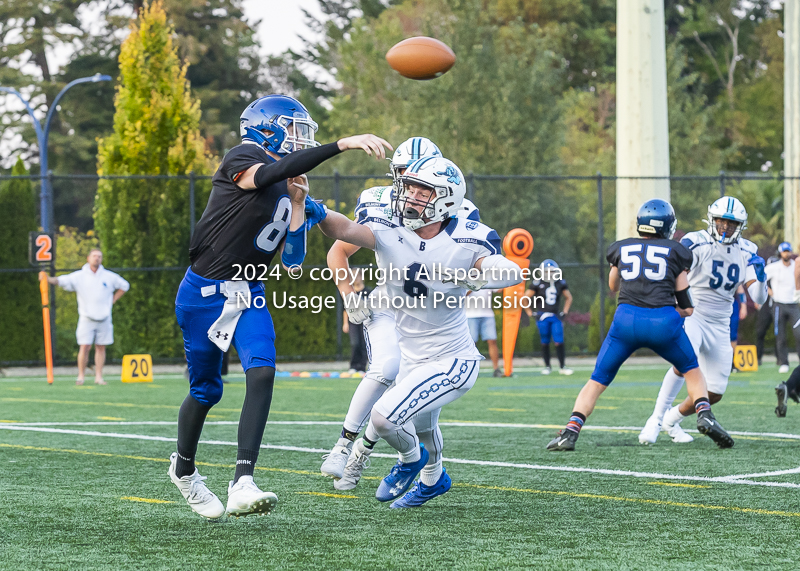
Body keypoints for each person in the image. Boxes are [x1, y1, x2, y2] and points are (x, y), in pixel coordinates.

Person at [168, 93, 391, 520]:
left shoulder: (290, 187)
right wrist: (342, 144)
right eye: (294, 129)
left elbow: (297, 258)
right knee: (206, 390)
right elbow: (264, 175)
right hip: (202, 293)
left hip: (248, 291)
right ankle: (184, 470)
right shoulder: (243, 156)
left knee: (263, 371)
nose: (299, 140)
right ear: (265, 126)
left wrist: (395, 240)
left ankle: (243, 480)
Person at [316, 156, 523, 507]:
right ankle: (433, 479)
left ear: (445, 198)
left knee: (383, 418)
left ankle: (411, 461)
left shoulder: (466, 237)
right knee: (426, 428)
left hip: (453, 358)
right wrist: (312, 208)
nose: (411, 196)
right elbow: (343, 231)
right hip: (413, 353)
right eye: (409, 187)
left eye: (422, 190)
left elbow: (511, 271)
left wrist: (475, 276)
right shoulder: (388, 226)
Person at [547, 199, 732, 451]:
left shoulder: (620, 248)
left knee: (597, 380)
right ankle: (704, 414)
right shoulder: (677, 252)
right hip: (663, 321)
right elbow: (687, 306)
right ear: (668, 227)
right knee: (691, 369)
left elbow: (613, 287)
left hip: (625, 321)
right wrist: (669, 312)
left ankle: (570, 431)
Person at [638, 196, 767, 445]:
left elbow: (757, 296)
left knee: (715, 392)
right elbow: (674, 275)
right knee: (682, 363)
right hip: (694, 315)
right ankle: (654, 420)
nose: (725, 227)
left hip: (721, 323)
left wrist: (761, 278)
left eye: (731, 223)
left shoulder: (748, 250)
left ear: (740, 226)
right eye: (721, 221)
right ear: (711, 219)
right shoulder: (696, 243)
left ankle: (671, 418)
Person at [42, 249, 129, 385]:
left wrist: (113, 299)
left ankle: (98, 376)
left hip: (104, 317)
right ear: (88, 258)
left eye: (99, 256)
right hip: (86, 318)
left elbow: (125, 285)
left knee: (101, 347)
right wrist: (47, 279)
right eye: (94, 256)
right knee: (84, 346)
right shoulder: (79, 276)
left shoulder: (109, 276)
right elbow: (61, 280)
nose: (97, 259)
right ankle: (81, 376)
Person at [524, 259, 573, 375]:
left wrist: (565, 311)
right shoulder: (537, 283)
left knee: (558, 340)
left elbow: (569, 297)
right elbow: (525, 298)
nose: (550, 274)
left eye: (552, 271)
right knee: (545, 341)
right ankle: (547, 366)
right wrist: (530, 312)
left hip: (555, 316)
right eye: (547, 271)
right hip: (542, 316)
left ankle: (562, 366)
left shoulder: (560, 283)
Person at [764, 242, 800, 374]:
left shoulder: (795, 267)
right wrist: (769, 291)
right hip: (779, 304)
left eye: (788, 251)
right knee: (781, 335)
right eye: (784, 251)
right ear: (780, 253)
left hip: (793, 304)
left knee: (799, 333)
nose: (787, 253)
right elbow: (760, 279)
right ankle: (784, 362)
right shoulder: (773, 267)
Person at [465, 288, 502, 377]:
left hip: (487, 314)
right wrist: (475, 283)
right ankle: (470, 370)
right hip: (470, 315)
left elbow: (499, 289)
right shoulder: (465, 276)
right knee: (471, 344)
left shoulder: (488, 275)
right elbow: (463, 294)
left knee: (492, 341)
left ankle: (496, 369)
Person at [342, 274, 371, 374]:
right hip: (353, 322)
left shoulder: (368, 292)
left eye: (357, 276)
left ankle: (362, 368)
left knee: (364, 344)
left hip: (365, 322)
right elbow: (345, 309)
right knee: (355, 343)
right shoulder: (350, 293)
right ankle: (353, 366)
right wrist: (345, 323)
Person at [729, 285, 747, 372]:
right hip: (715, 304)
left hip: (732, 303)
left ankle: (731, 362)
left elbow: (740, 288)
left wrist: (743, 306)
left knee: (733, 335)